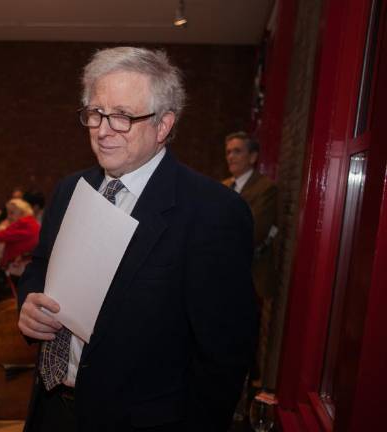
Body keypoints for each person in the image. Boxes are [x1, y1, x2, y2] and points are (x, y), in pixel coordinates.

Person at [17, 47, 258, 431]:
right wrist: (27, 302)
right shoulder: (69, 189)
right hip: (51, 408)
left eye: (123, 116)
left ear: (163, 126)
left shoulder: (213, 212)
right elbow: (42, 265)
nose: (103, 128)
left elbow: (224, 356)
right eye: (95, 113)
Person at [222, 131, 278, 388]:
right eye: (228, 151)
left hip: (250, 280)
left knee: (243, 345)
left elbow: (253, 234)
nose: (230, 156)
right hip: (220, 278)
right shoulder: (223, 186)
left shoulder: (265, 189)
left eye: (237, 151)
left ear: (253, 156)